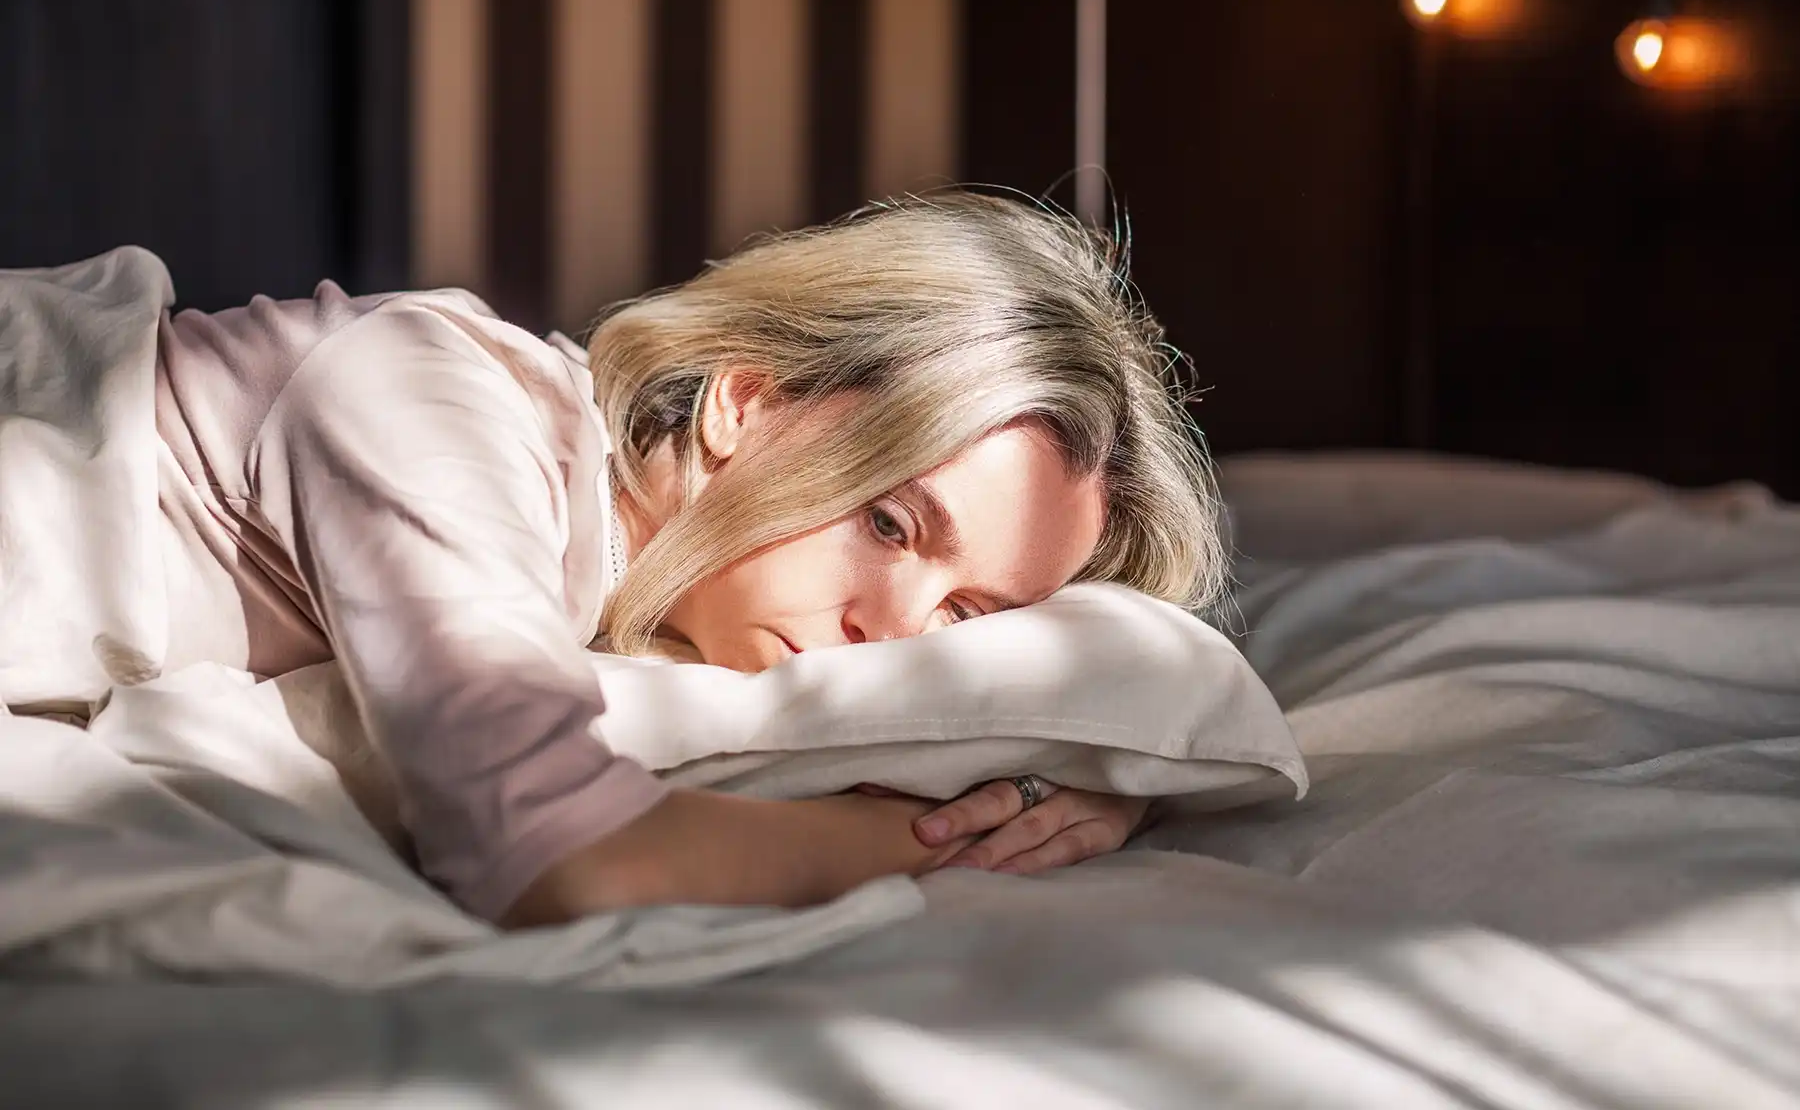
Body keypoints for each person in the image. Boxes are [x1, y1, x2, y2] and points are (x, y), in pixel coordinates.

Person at [44, 192, 1229, 928]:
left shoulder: (650, 603)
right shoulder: (428, 396)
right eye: (889, 522)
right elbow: (558, 862)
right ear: (745, 405)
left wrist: (1066, 785)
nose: (900, 632)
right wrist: (963, 840)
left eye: (972, 614)